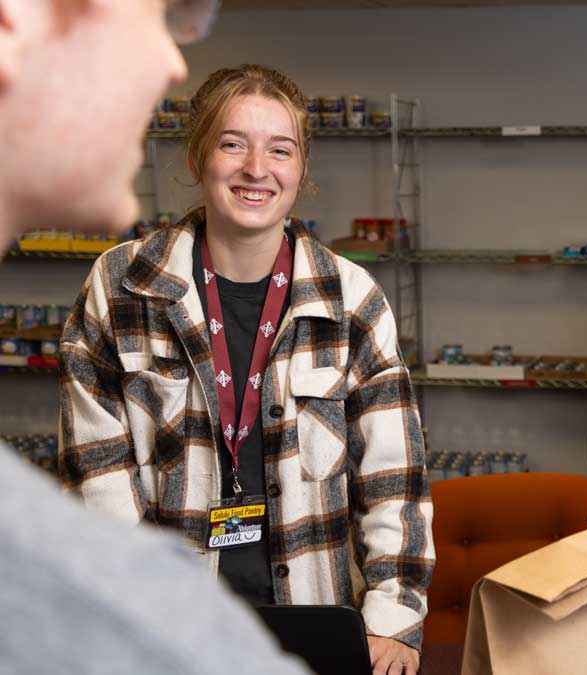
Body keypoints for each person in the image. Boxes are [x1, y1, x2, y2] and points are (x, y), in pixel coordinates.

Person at [58, 63, 434, 675]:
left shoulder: (351, 299)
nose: (256, 169)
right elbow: (94, 470)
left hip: (313, 616)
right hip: (165, 623)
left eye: (279, 150)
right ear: (198, 155)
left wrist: (395, 619)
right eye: (233, 144)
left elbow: (396, 476)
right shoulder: (122, 286)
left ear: (301, 169)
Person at [0, 1, 308, 672]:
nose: (173, 62)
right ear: (13, 22)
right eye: (159, 15)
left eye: (279, 148)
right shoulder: (118, 285)